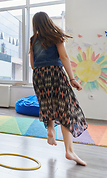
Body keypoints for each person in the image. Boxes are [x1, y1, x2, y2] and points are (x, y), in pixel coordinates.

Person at [30, 12, 88, 166]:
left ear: (35, 24)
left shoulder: (33, 39)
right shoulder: (56, 36)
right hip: (55, 73)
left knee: (47, 103)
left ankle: (50, 129)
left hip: (39, 75)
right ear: (48, 21)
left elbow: (32, 64)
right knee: (66, 110)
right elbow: (64, 57)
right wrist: (72, 78)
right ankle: (69, 151)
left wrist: (40, 71)